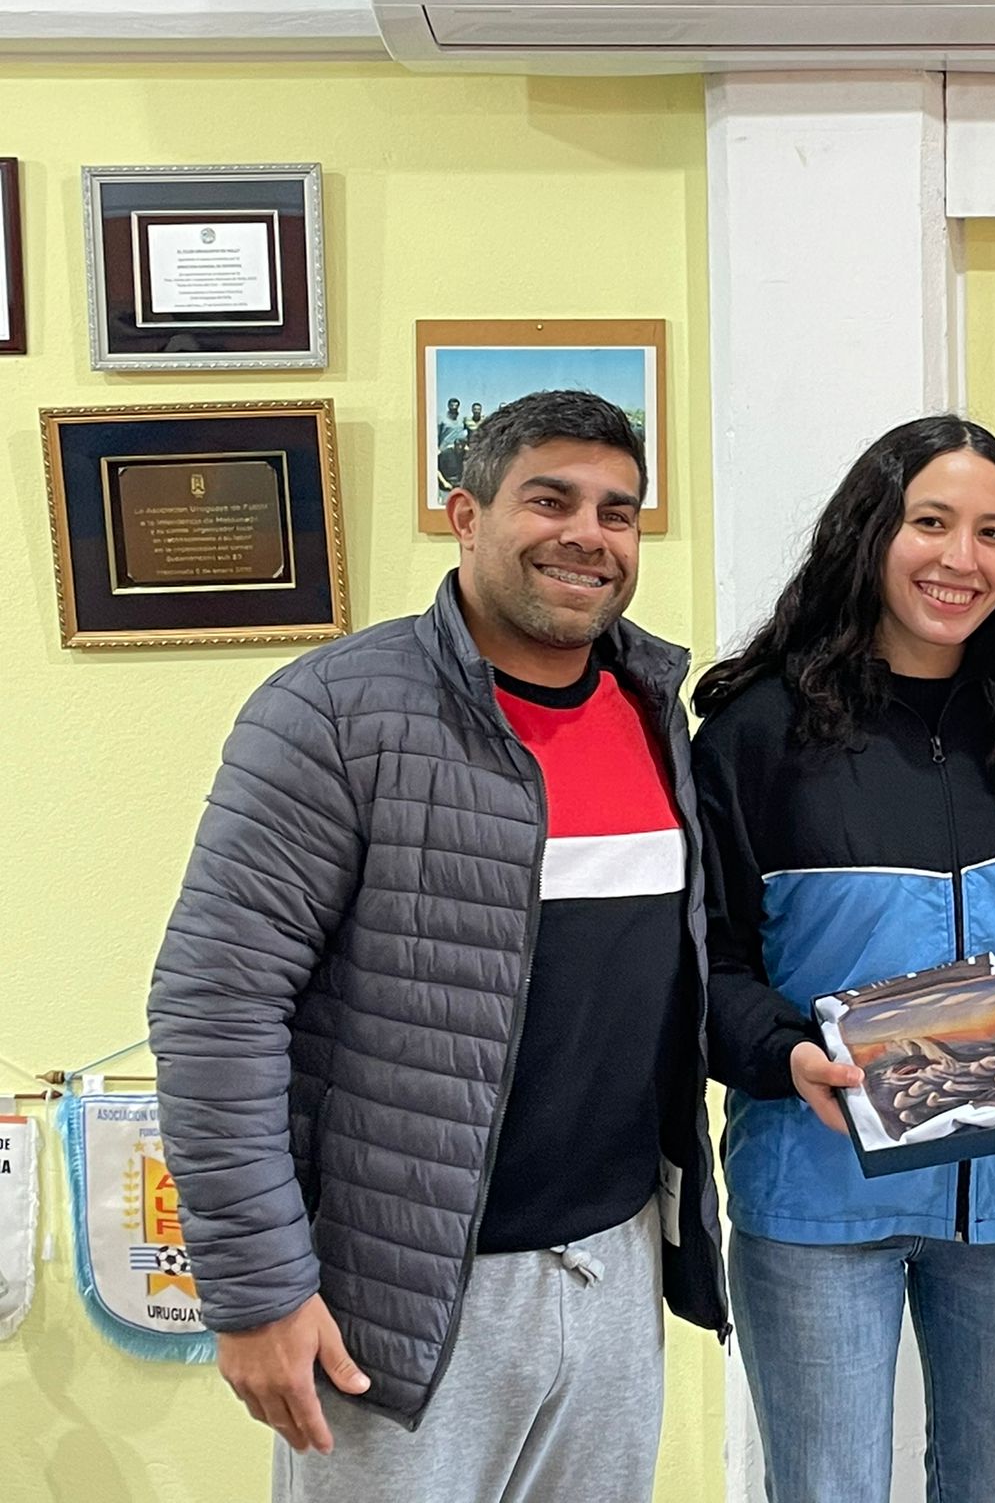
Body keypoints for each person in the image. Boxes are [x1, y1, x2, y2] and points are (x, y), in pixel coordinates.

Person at [147, 390, 726, 1502]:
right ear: (466, 516)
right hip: (403, 1296)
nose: (587, 535)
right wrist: (257, 1290)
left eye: (616, 512)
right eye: (549, 500)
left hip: (612, 1269)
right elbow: (217, 1006)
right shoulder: (332, 713)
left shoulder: (655, 714)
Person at [692, 414, 995, 1503]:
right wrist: (781, 1053)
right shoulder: (756, 735)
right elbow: (700, 961)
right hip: (819, 1192)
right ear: (870, 533)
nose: (961, 558)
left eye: (992, 533)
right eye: (931, 522)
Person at [436, 395, 469, 496]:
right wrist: (437, 447)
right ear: (448, 406)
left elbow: (466, 432)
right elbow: (437, 433)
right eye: (452, 405)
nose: (454, 407)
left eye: (456, 405)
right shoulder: (442, 419)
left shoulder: (462, 419)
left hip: (459, 447)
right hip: (445, 447)